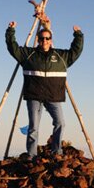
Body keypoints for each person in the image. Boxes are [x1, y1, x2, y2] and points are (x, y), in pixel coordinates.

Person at [5, 12, 83, 158]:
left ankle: (56, 152)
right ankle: (31, 154)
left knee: (60, 123)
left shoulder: (61, 57)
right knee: (33, 127)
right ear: (38, 40)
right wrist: (11, 31)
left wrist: (78, 36)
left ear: (51, 40)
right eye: (42, 38)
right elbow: (13, 48)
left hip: (53, 96)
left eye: (47, 38)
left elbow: (75, 52)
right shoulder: (28, 55)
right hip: (34, 96)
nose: (44, 41)